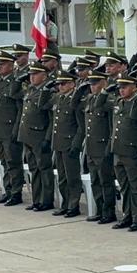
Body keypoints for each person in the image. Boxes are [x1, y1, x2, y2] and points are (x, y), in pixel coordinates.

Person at [110, 72, 137, 231]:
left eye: (125, 87)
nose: (122, 90)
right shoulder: (119, 103)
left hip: (132, 152)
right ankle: (127, 215)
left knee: (135, 187)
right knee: (124, 186)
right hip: (118, 151)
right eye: (120, 87)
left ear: (135, 87)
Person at [0, 49, 25, 205]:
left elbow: (19, 110)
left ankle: (16, 192)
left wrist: (16, 130)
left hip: (10, 129)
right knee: (4, 162)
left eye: (2, 64)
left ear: (11, 65)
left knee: (13, 162)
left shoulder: (15, 83)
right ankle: (7, 190)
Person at [17, 62, 55, 213]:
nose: (31, 77)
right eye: (30, 74)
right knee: (34, 169)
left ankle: (46, 200)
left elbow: (51, 118)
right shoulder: (31, 90)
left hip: (40, 136)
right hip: (28, 135)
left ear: (44, 76)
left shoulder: (48, 92)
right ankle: (36, 199)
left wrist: (47, 138)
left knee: (44, 169)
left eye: (35, 74)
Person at [47, 70, 85, 218]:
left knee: (72, 177)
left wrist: (76, 145)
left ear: (72, 84)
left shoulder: (75, 101)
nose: (60, 87)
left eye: (63, 84)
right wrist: (46, 89)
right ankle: (65, 203)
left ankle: (73, 205)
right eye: (58, 84)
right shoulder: (58, 98)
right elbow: (44, 104)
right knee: (62, 177)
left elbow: (81, 126)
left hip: (69, 143)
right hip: (58, 143)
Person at [81, 68, 117, 224]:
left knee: (105, 182)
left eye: (96, 83)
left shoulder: (109, 100)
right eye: (91, 83)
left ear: (104, 83)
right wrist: (79, 89)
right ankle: (100, 209)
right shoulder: (90, 99)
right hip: (91, 147)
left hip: (102, 148)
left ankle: (109, 212)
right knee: (95, 181)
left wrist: (109, 147)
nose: (92, 86)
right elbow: (76, 104)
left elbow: (111, 127)